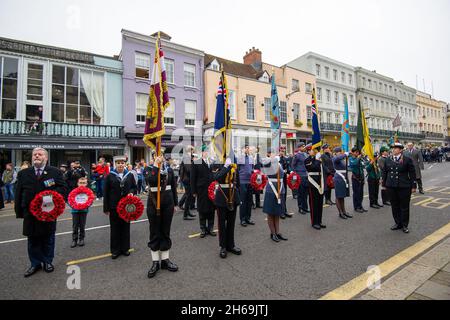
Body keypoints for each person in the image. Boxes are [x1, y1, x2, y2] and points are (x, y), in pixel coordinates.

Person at [15, 148, 67, 277]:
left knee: (48, 238)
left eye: (40, 154)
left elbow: (63, 188)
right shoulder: (24, 173)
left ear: (46, 158)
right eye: (34, 154)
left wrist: (51, 195)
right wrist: (19, 211)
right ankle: (35, 264)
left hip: (48, 212)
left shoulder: (55, 172)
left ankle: (47, 261)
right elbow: (18, 193)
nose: (37, 156)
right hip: (30, 213)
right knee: (32, 239)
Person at [146, 153, 179, 278]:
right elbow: (152, 180)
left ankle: (165, 260)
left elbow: (174, 187)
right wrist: (156, 165)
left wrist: (175, 203)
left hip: (168, 203)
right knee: (154, 232)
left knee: (165, 231)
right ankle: (155, 262)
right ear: (153, 157)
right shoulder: (149, 169)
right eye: (156, 156)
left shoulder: (169, 169)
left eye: (161, 155)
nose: (160, 157)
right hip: (153, 203)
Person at [103, 156, 137, 259]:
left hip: (127, 206)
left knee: (125, 227)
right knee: (115, 228)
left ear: (125, 164)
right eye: (118, 163)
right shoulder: (109, 176)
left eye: (122, 163)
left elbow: (134, 187)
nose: (120, 165)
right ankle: (115, 250)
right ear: (115, 164)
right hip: (114, 206)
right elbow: (106, 192)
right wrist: (106, 208)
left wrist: (131, 193)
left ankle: (125, 249)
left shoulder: (129, 175)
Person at [382, 143, 416, 234]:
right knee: (394, 206)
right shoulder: (388, 159)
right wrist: (384, 184)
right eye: (393, 148)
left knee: (404, 206)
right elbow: (385, 172)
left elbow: (412, 173)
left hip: (404, 186)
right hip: (391, 186)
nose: (393, 150)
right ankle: (398, 223)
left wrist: (413, 186)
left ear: (401, 150)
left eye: (396, 148)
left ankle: (405, 225)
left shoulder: (407, 160)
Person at [211, 157, 242, 259]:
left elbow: (237, 178)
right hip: (222, 195)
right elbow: (216, 177)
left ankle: (231, 245)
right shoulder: (216, 161)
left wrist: (239, 194)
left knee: (231, 222)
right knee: (221, 223)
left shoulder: (233, 160)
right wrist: (225, 167)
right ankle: (223, 246)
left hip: (233, 194)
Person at [262, 151, 288, 242]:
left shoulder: (278, 162)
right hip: (271, 189)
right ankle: (272, 233)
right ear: (268, 154)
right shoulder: (266, 162)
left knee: (277, 212)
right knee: (270, 212)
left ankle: (277, 232)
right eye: (271, 153)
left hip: (280, 188)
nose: (274, 154)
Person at [191, 145, 216, 238]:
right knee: (202, 209)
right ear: (201, 153)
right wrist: (193, 191)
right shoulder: (196, 162)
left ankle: (210, 228)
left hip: (211, 190)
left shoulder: (211, 162)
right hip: (201, 190)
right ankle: (203, 229)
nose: (206, 153)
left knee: (211, 209)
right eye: (205, 151)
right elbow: (192, 178)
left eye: (207, 151)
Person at [305, 145, 326, 230]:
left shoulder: (318, 158)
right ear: (308, 151)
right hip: (312, 183)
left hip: (320, 181)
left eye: (315, 150)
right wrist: (317, 160)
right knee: (314, 203)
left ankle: (319, 221)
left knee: (320, 203)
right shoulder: (307, 160)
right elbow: (313, 167)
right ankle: (314, 222)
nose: (315, 151)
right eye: (313, 150)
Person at [70, 176, 91, 248]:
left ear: (86, 184)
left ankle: (81, 239)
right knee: (75, 225)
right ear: (77, 183)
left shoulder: (88, 192)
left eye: (84, 183)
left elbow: (90, 201)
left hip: (84, 211)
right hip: (75, 211)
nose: (82, 184)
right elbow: (70, 200)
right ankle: (74, 239)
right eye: (80, 183)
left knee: (82, 225)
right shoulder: (74, 191)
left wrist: (86, 205)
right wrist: (74, 205)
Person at [237, 145, 255, 227]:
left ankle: (248, 218)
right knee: (243, 201)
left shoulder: (251, 158)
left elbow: (252, 168)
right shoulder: (240, 158)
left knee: (249, 200)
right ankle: (243, 219)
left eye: (248, 148)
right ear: (243, 149)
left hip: (250, 181)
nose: (248, 149)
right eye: (246, 148)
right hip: (242, 181)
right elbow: (237, 170)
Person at [332, 147, 352, 220]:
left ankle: (344, 211)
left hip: (343, 178)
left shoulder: (341, 159)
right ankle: (340, 213)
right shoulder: (334, 158)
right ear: (335, 153)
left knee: (342, 196)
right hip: (338, 178)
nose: (340, 153)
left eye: (341, 151)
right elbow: (337, 158)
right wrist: (345, 154)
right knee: (338, 196)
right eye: (339, 152)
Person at [291, 143, 309, 215]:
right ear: (298, 148)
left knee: (305, 193)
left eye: (304, 146)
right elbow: (293, 165)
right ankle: (300, 208)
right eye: (302, 146)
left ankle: (305, 207)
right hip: (300, 175)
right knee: (300, 193)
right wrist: (295, 175)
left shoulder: (306, 154)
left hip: (306, 175)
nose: (304, 147)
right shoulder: (297, 155)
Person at [179, 146, 196, 220]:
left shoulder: (188, 158)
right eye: (192, 151)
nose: (193, 152)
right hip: (187, 180)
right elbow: (189, 170)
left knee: (189, 196)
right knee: (188, 196)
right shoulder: (186, 158)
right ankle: (185, 215)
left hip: (187, 179)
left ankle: (187, 211)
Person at [349, 147, 367, 213]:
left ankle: (360, 206)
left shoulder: (360, 159)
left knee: (361, 193)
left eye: (358, 152)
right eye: (356, 152)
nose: (357, 153)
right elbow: (353, 164)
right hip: (355, 178)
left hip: (361, 177)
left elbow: (363, 166)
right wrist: (358, 158)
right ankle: (356, 207)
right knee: (356, 193)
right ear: (353, 152)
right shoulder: (351, 158)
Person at [278, 146, 293, 219]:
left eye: (284, 150)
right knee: (279, 196)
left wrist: (291, 172)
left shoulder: (285, 158)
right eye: (281, 150)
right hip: (278, 179)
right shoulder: (277, 159)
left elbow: (288, 167)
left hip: (284, 179)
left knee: (284, 195)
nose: (282, 152)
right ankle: (280, 212)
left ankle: (284, 210)